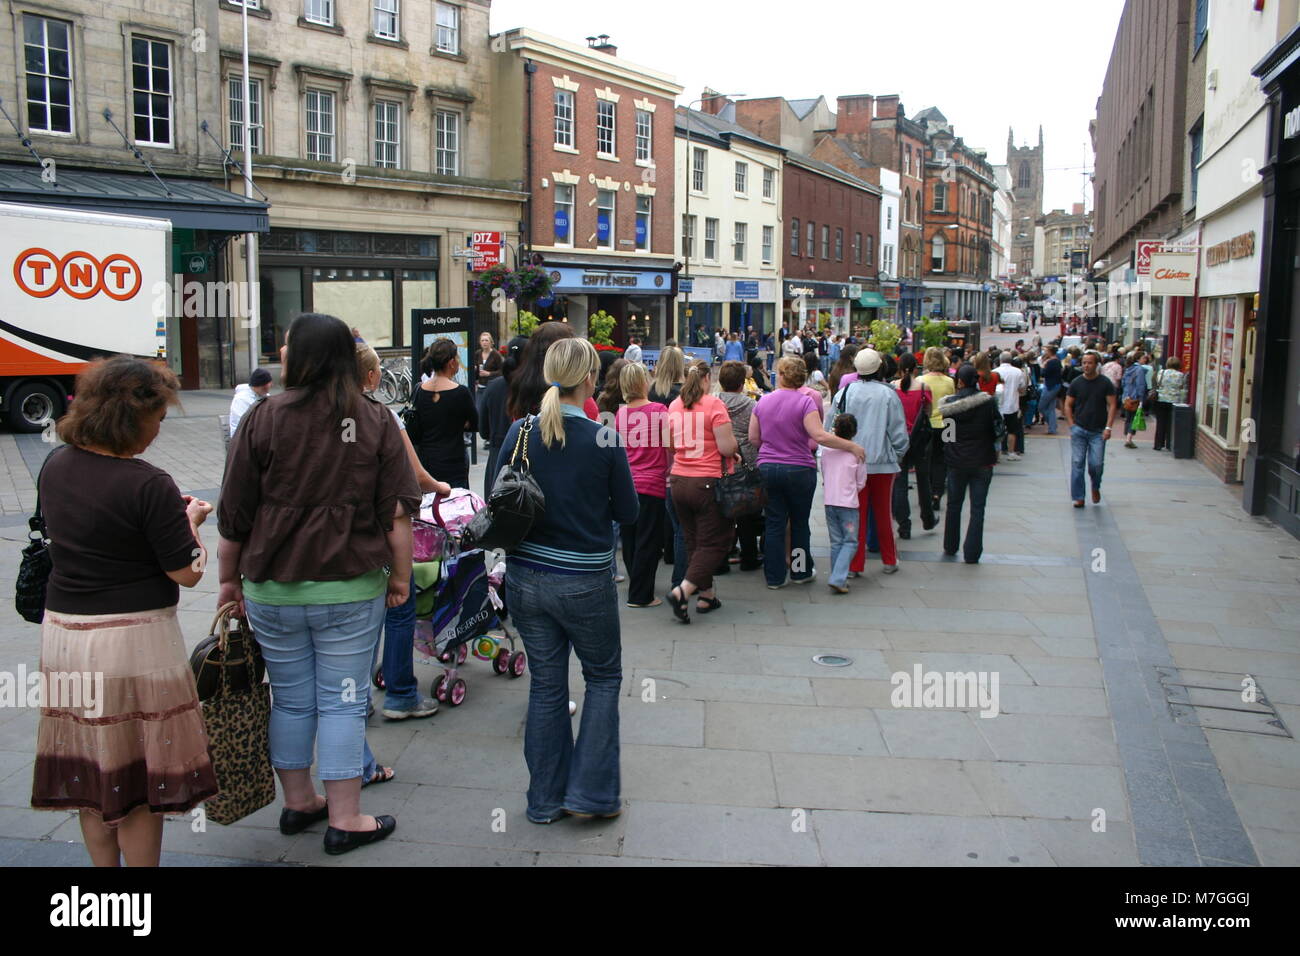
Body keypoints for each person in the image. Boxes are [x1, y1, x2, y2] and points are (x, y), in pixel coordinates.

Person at [219, 312, 419, 856]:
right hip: (350, 586)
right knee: (343, 701)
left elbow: (234, 512)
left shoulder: (262, 418)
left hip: (270, 586)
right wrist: (400, 578)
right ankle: (345, 817)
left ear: (298, 357)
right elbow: (398, 514)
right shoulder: (373, 419)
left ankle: (299, 801)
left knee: (290, 699)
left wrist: (226, 581)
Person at [32, 356, 218, 866]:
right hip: (133, 642)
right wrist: (193, 522)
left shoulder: (56, 465)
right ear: (133, 417)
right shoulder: (149, 484)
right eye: (156, 420)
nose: (158, 432)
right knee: (140, 778)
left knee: (92, 773)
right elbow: (186, 571)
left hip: (66, 635)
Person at [498, 337, 637, 824]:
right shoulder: (603, 437)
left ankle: (543, 801)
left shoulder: (520, 430)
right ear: (589, 380)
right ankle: (593, 795)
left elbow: (499, 498)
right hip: (583, 581)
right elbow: (629, 511)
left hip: (525, 579)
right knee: (602, 678)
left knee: (546, 686)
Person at [356, 341, 450, 729]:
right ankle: (400, 693)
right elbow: (415, 475)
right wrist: (440, 487)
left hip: (339, 542)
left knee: (355, 623)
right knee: (399, 607)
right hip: (383, 534)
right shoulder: (382, 417)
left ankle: (355, 699)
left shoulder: (316, 416)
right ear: (371, 376)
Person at [751, 356, 864, 590]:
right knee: (800, 522)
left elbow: (754, 438)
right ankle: (800, 570)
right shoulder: (805, 403)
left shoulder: (763, 401)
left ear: (781, 376)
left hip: (769, 467)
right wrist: (851, 445)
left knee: (774, 523)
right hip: (799, 469)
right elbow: (819, 436)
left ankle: (774, 577)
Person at [664, 362, 739, 621]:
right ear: (708, 379)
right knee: (717, 542)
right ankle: (682, 592)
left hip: (679, 481)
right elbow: (727, 448)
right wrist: (735, 448)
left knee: (693, 540)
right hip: (706, 482)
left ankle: (706, 595)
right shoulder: (714, 405)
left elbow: (670, 445)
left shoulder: (674, 405)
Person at [828, 349, 908, 576]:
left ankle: (854, 565)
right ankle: (889, 560)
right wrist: (899, 454)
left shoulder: (844, 393)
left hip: (851, 461)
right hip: (882, 462)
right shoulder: (888, 394)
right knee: (883, 513)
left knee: (856, 514)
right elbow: (898, 432)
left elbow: (829, 428)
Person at [615, 363, 669, 607]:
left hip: (627, 484)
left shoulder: (619, 414)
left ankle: (637, 582)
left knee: (630, 537)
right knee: (649, 539)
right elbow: (670, 446)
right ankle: (640, 594)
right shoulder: (659, 410)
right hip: (652, 482)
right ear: (644, 382)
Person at [939, 364, 1003, 564]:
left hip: (957, 461)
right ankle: (972, 553)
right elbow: (997, 429)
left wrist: (950, 454)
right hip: (982, 460)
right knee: (978, 508)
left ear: (959, 381)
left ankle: (950, 545)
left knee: (953, 505)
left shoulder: (949, 405)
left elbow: (947, 436)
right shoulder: (988, 402)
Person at [412, 338, 478, 490]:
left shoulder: (419, 390)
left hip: (426, 462)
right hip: (453, 461)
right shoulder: (461, 392)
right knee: (456, 508)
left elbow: (417, 428)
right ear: (451, 363)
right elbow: (474, 423)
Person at [717, 361, 763, 572]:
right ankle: (749, 556)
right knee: (747, 511)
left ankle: (723, 554)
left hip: (720, 462)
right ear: (741, 382)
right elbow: (757, 435)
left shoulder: (714, 403)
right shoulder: (752, 405)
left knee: (721, 511)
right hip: (747, 461)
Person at [891, 352, 936, 540]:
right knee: (923, 481)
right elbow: (929, 413)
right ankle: (928, 518)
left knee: (900, 484)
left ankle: (904, 525)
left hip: (899, 440)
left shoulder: (893, 388)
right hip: (919, 440)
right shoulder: (924, 387)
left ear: (899, 369)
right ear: (916, 368)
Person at [1064, 351, 1118, 507]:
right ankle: (1079, 497)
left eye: (1090, 363)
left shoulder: (1105, 383)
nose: (1086, 366)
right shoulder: (1076, 382)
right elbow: (1068, 404)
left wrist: (1108, 427)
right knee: (1077, 462)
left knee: (1096, 464)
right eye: (1084, 362)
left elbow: (1112, 405)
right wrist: (1071, 424)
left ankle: (1095, 486)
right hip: (1079, 429)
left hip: (1098, 431)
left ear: (1097, 365)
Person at [822, 412, 868, 594]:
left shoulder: (826, 452)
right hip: (848, 503)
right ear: (854, 432)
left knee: (836, 542)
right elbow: (861, 481)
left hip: (829, 501)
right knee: (850, 541)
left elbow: (824, 473)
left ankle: (837, 575)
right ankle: (838, 578)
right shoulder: (857, 453)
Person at [478, 337, 527, 498]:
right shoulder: (531, 388)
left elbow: (483, 430)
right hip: (523, 461)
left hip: (496, 458)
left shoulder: (493, 386)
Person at [918, 347, 956, 514]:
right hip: (946, 423)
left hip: (927, 425)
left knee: (926, 460)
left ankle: (927, 493)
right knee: (941, 460)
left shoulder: (921, 380)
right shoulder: (949, 381)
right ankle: (937, 493)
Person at [1152, 356, 1188, 452]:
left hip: (1161, 399)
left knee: (1160, 423)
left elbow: (1157, 382)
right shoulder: (1180, 375)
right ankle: (1169, 444)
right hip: (1174, 400)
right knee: (1170, 423)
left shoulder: (1161, 372)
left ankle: (1158, 444)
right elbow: (1182, 387)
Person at [994, 351, 1025, 460]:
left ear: (1000, 359)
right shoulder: (1018, 372)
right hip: (1012, 405)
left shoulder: (995, 372)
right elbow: (1022, 388)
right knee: (1012, 430)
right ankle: (1011, 452)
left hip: (998, 405)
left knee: (996, 430)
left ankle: (996, 453)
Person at [229, 367, 272, 436]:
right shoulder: (241, 399)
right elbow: (243, 424)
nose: (267, 391)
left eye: (268, 387)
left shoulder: (264, 395)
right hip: (242, 438)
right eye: (264, 388)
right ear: (255, 386)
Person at [1120, 353, 1148, 449]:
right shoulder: (1139, 370)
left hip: (1126, 397)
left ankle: (1128, 437)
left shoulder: (1128, 369)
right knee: (1134, 418)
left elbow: (1123, 383)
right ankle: (1129, 439)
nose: (1145, 360)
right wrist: (1141, 398)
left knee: (1128, 417)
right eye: (1143, 358)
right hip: (1135, 398)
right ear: (1138, 359)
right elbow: (1141, 385)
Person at [1040, 345, 1064, 435]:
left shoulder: (1050, 362)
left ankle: (1052, 424)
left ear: (1050, 352)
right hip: (1055, 385)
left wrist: (1043, 366)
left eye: (1046, 351)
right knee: (1051, 408)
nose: (1045, 353)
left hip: (1050, 386)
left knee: (1041, 406)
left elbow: (1043, 374)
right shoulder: (1057, 361)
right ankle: (1052, 428)